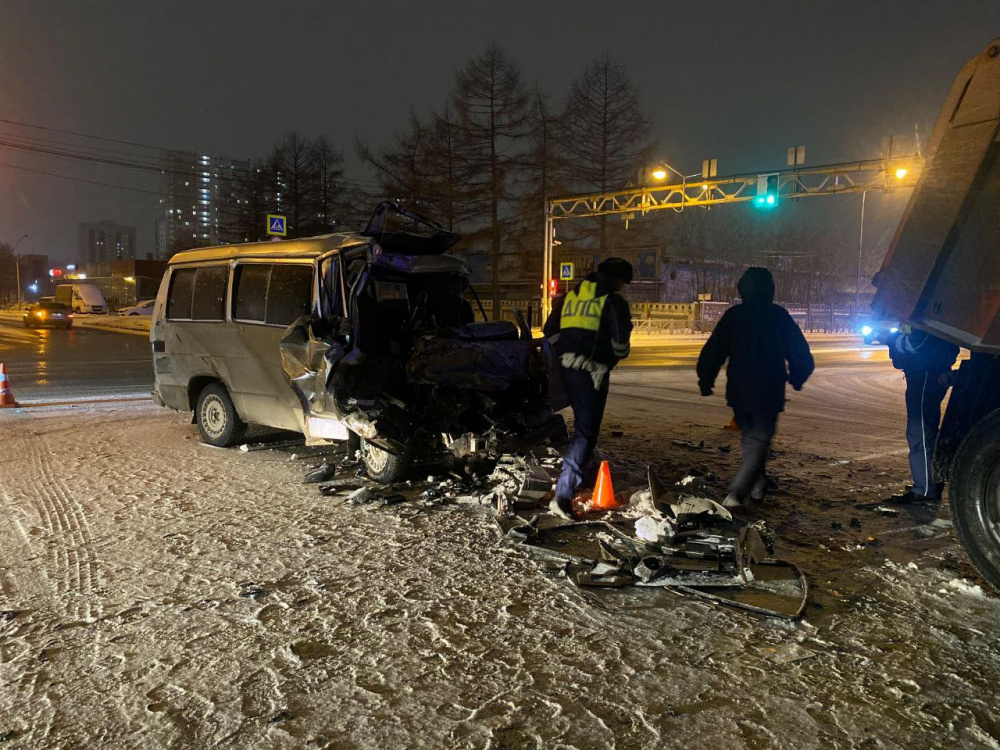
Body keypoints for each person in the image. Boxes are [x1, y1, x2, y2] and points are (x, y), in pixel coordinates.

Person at [696, 267, 814, 508]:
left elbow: (714, 350)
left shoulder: (734, 316)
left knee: (751, 439)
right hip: (769, 388)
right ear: (770, 289)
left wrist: (706, 378)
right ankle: (736, 494)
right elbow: (799, 350)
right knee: (757, 440)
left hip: (739, 389)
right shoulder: (778, 316)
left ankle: (758, 488)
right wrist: (798, 376)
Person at [543, 257, 634, 519]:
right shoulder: (613, 300)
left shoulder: (572, 295)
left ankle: (583, 473)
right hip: (592, 371)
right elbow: (620, 345)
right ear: (619, 280)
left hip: (566, 368)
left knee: (583, 428)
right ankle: (563, 494)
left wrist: (567, 351)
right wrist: (608, 358)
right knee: (585, 433)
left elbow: (550, 331)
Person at [886, 326, 959, 502]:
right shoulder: (940, 315)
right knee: (924, 430)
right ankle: (929, 483)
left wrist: (894, 339)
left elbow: (918, 344)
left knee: (920, 432)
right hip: (928, 373)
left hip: (924, 375)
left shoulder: (925, 317)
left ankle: (925, 489)